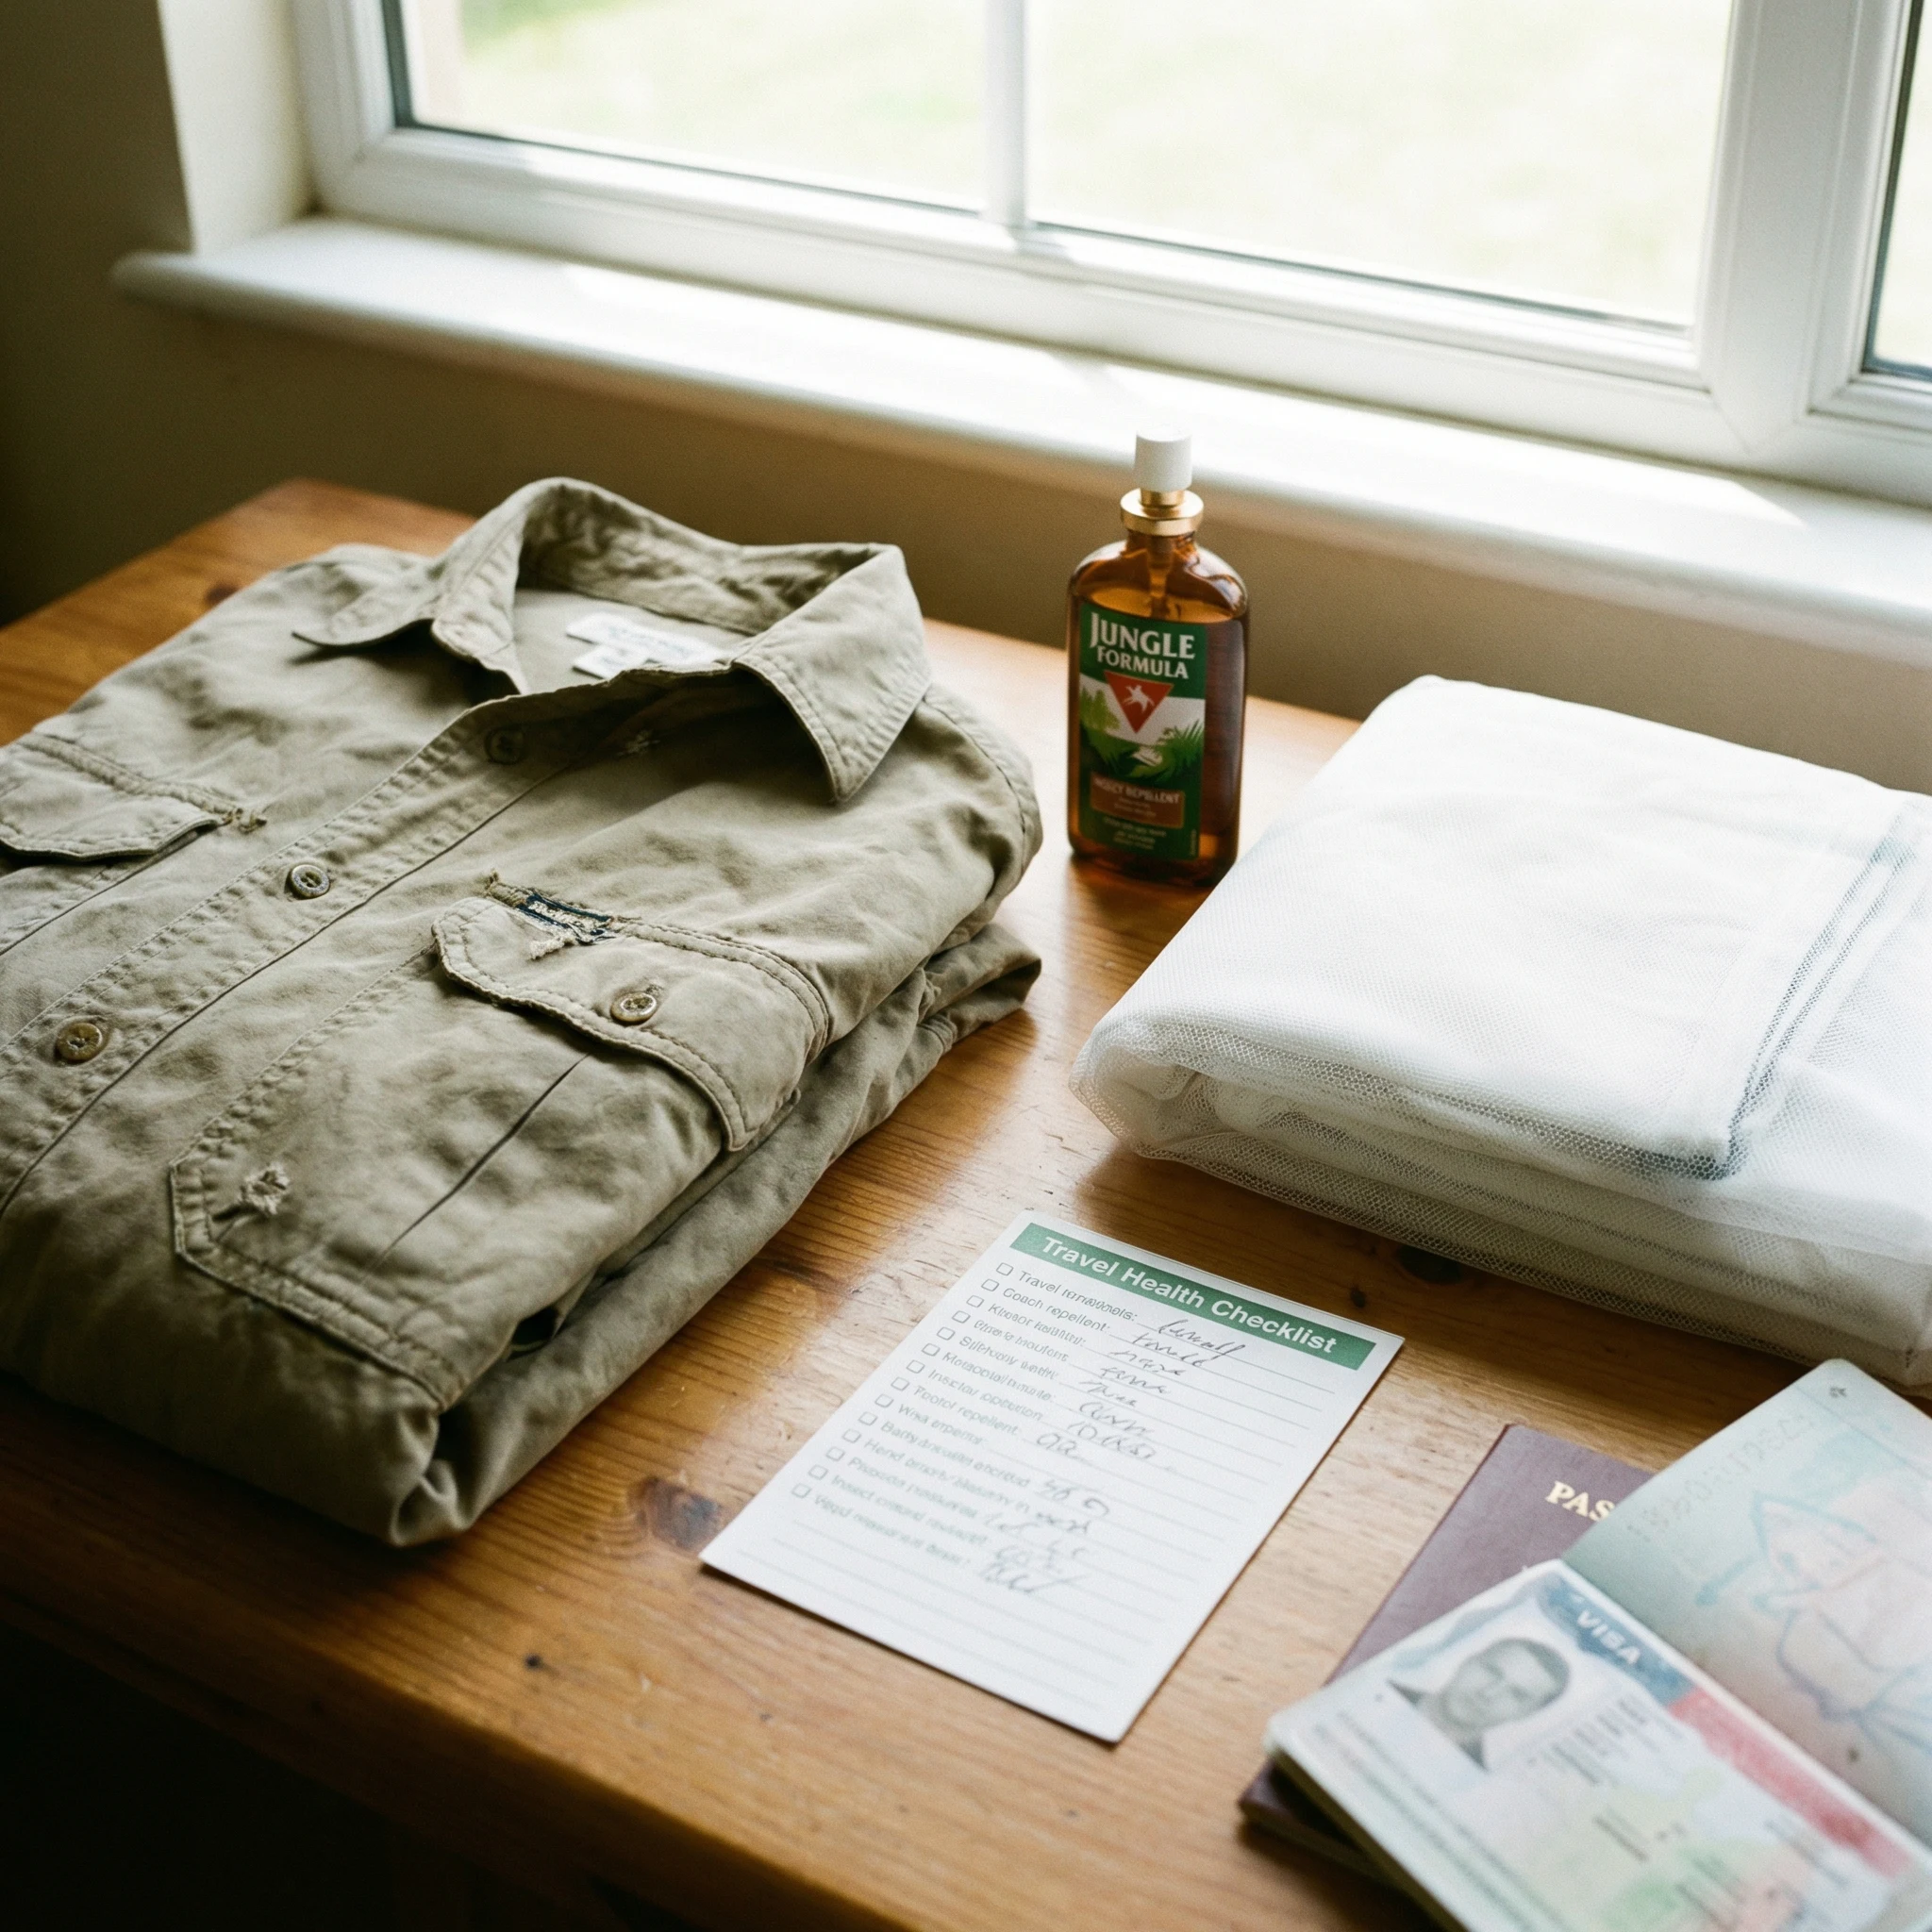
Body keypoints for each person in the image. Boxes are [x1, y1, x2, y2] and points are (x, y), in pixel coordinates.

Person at [1398, 1637, 1570, 1768]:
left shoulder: (1471, 1787)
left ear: (1528, 1714)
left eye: (1516, 1694)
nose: (1488, 1694)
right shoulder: (1376, 1681)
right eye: (1492, 1672)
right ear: (1467, 1662)